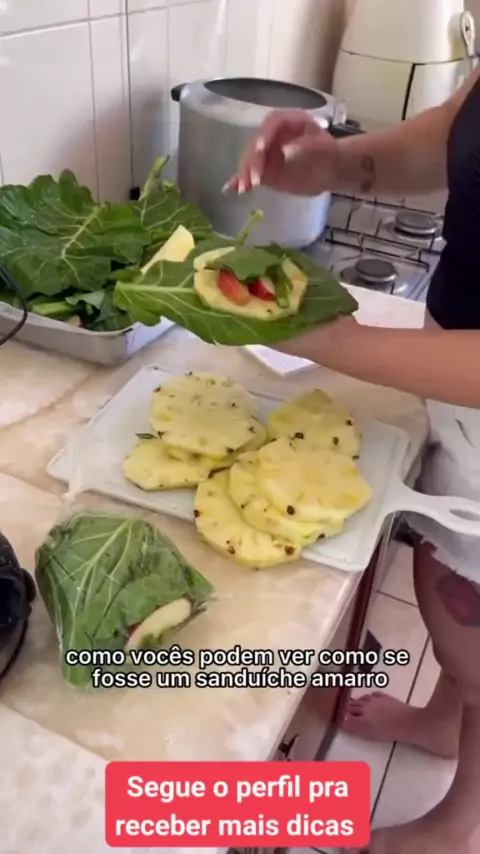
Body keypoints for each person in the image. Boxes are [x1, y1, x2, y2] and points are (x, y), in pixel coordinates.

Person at [228, 69, 480, 854]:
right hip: (457, 387)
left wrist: (336, 339)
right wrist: (338, 163)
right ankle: (445, 719)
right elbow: (460, 127)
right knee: (452, 582)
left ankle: (459, 823)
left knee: (469, 621)